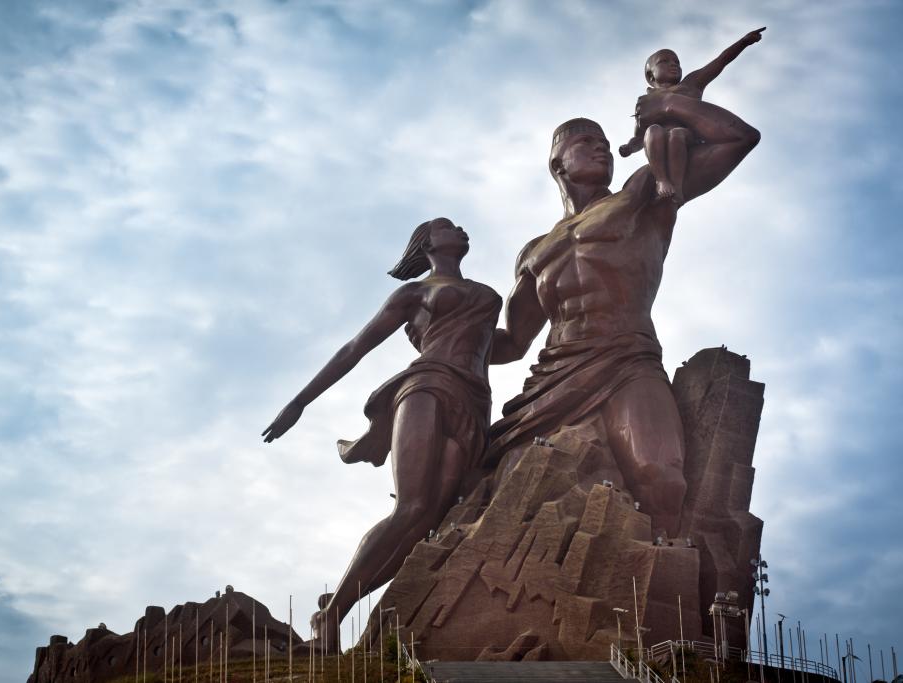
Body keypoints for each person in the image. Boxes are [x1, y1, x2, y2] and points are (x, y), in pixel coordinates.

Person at [487, 90, 760, 538]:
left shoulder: (644, 192)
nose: (602, 148)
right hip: (554, 375)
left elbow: (738, 140)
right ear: (558, 165)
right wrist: (442, 340)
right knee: (509, 487)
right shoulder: (534, 252)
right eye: (586, 142)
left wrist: (672, 106)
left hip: (627, 359)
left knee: (663, 479)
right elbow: (511, 343)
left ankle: (661, 592)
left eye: (605, 143)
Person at [262, 217, 501, 649]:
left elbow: (509, 345)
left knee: (427, 520)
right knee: (411, 508)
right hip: (426, 386)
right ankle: (330, 621)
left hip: (474, 402)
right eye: (449, 226)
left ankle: (335, 603)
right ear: (428, 243)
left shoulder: (486, 295)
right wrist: (299, 401)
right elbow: (355, 348)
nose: (461, 229)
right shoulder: (414, 293)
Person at [618, 27, 765, 203]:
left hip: (685, 139)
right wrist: (629, 147)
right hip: (657, 144)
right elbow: (639, 136)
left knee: (677, 134)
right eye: (664, 62)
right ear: (651, 76)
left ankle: (678, 188)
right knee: (653, 131)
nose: (673, 65)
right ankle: (662, 179)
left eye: (676, 62)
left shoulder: (691, 84)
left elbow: (720, 62)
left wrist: (743, 42)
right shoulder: (645, 102)